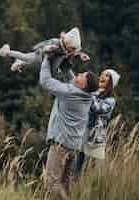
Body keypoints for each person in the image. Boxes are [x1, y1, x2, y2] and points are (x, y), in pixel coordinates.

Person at [39, 56, 99, 199]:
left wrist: (47, 59)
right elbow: (69, 75)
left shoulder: (70, 93)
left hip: (60, 146)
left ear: (84, 84)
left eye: (82, 76)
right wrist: (66, 56)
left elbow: (45, 81)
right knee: (64, 185)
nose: (79, 74)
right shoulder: (86, 95)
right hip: (72, 148)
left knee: (51, 183)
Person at [0, 27, 90, 82]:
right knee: (26, 57)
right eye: (73, 48)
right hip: (41, 57)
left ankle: (75, 86)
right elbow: (41, 46)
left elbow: (73, 53)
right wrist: (46, 49)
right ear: (68, 43)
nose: (74, 50)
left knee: (69, 75)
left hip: (58, 65)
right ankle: (7, 52)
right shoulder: (55, 43)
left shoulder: (68, 49)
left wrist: (81, 55)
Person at [75, 68, 120, 177]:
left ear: (111, 83)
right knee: (76, 174)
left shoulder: (110, 100)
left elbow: (98, 109)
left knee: (93, 175)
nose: (103, 77)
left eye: (107, 76)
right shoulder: (92, 94)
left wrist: (90, 92)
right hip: (82, 138)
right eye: (102, 74)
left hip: (95, 142)